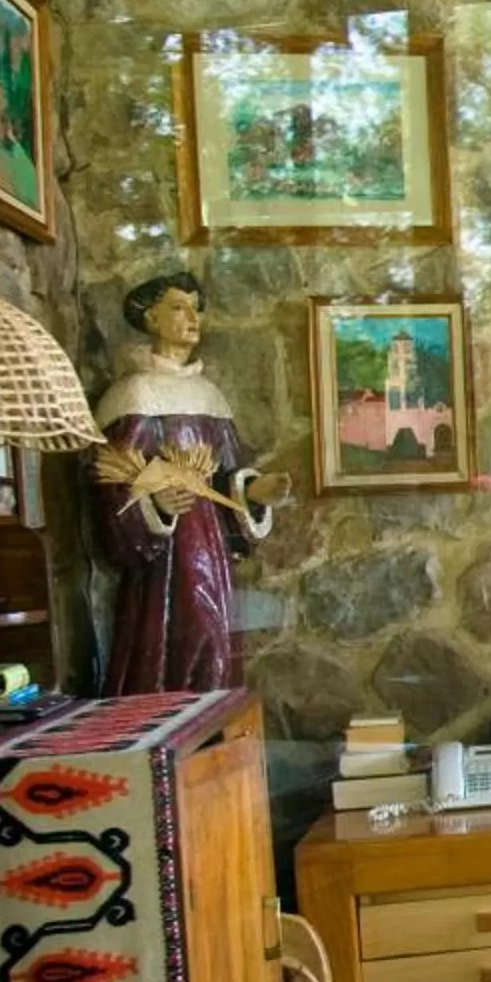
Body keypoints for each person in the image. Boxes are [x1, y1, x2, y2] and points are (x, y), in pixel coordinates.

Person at [92, 271, 290, 694]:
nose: (192, 318)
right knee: (179, 644)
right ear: (150, 319)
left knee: (216, 644)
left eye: (195, 308)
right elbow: (111, 483)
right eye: (178, 307)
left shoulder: (208, 396)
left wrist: (253, 493)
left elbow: (226, 475)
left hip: (211, 552)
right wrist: (158, 504)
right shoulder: (134, 395)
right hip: (165, 562)